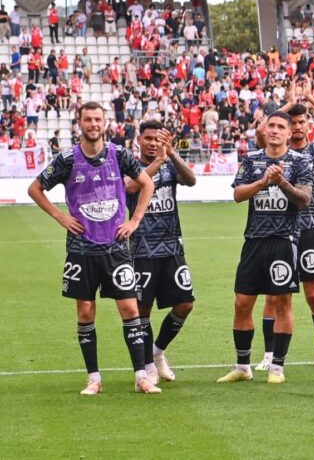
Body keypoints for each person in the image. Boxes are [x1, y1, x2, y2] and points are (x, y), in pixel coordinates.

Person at [27, 102, 158, 395]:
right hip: (81, 248)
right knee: (85, 312)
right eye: (88, 119)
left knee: (129, 308)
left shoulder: (119, 154)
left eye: (98, 119)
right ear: (80, 123)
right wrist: (60, 216)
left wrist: (135, 220)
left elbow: (146, 184)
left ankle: (141, 377)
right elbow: (34, 189)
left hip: (115, 247)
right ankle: (94, 378)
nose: (93, 124)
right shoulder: (68, 159)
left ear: (105, 122)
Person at [217, 111, 313, 385]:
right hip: (254, 241)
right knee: (242, 302)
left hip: (284, 241)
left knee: (282, 303)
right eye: (271, 125)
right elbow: (237, 195)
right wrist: (263, 182)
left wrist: (281, 182)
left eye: (280, 126)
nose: (274, 130)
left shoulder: (299, 161)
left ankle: (277, 367)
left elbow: (304, 200)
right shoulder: (252, 159)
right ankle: (242, 366)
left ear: (288, 132)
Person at [254, 82, 314, 370]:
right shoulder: (274, 150)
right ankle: (269, 355)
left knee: (313, 294)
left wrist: (311, 100)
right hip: (278, 228)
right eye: (292, 122)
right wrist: (288, 106)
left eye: (302, 122)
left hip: (308, 227)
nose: (296, 127)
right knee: (273, 294)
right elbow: (262, 130)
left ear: (309, 126)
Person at [125, 121, 197, 386]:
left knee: (185, 304)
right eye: (148, 138)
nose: (153, 143)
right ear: (139, 141)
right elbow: (130, 188)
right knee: (142, 310)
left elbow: (191, 180)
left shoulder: (169, 163)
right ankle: (146, 366)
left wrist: (173, 155)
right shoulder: (131, 165)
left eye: (158, 139)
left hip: (172, 247)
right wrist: (157, 163)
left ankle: (157, 352)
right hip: (142, 249)